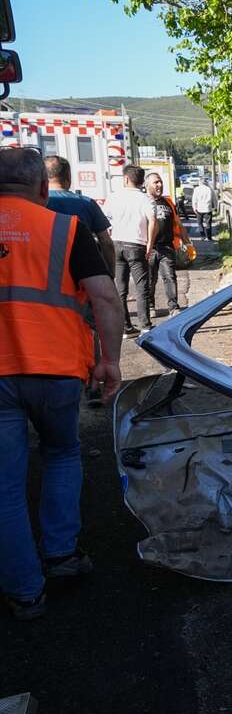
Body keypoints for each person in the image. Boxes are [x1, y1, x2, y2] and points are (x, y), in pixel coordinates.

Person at [0, 148, 124, 620]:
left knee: (5, 486)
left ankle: (25, 592)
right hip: (55, 368)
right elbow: (106, 298)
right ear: (44, 189)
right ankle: (60, 554)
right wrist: (109, 361)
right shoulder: (64, 228)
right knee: (61, 453)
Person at [102, 165, 156, 336]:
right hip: (137, 244)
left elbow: (105, 219)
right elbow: (153, 220)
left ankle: (126, 327)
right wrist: (150, 244)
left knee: (121, 288)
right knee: (142, 287)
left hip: (117, 243)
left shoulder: (114, 197)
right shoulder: (145, 199)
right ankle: (145, 326)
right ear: (141, 181)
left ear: (126, 179)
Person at [44, 156, 115, 273]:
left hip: (45, 271)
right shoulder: (87, 203)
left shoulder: (35, 203)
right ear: (68, 176)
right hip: (82, 273)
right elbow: (106, 242)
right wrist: (110, 273)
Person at [144, 172, 192, 316]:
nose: (160, 185)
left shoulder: (168, 202)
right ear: (147, 185)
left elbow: (178, 223)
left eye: (160, 182)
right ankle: (150, 305)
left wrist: (187, 243)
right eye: (156, 182)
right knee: (150, 279)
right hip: (149, 249)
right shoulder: (142, 201)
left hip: (167, 247)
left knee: (170, 277)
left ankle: (173, 307)